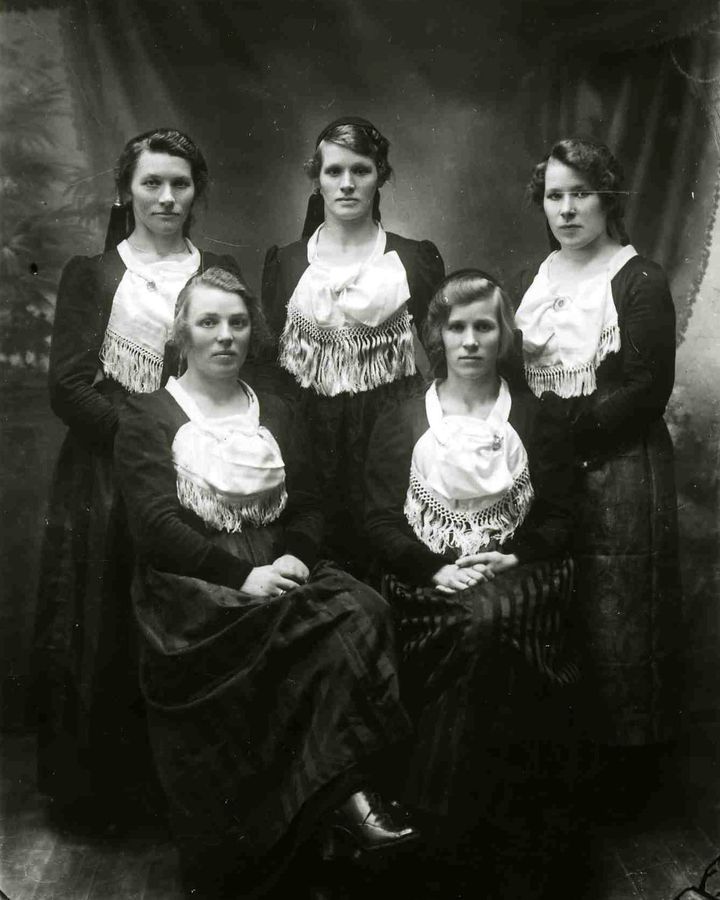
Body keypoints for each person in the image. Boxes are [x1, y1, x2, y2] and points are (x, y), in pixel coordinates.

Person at [114, 266, 418, 898]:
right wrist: (241, 575)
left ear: (254, 330)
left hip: (279, 565)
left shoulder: (275, 409)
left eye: (237, 322)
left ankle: (338, 807)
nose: (225, 335)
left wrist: (297, 558)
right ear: (181, 333)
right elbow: (155, 527)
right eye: (208, 322)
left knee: (363, 610)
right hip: (194, 586)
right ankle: (336, 811)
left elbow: (308, 504)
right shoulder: (148, 415)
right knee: (298, 631)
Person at [32, 128, 240, 827]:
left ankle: (190, 791)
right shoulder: (93, 275)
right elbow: (69, 388)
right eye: (152, 182)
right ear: (126, 190)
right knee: (111, 621)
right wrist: (147, 443)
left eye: (181, 183)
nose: (167, 197)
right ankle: (107, 796)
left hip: (205, 468)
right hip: (109, 475)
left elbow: (249, 365)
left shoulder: (218, 271)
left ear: (197, 192)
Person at [364, 270, 576, 831]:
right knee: (472, 623)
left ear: (504, 335)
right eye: (457, 327)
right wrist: (433, 569)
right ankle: (464, 817)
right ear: (438, 334)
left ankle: (436, 814)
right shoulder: (403, 418)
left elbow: (560, 516)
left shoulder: (534, 417)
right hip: (425, 577)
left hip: (518, 570)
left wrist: (515, 555)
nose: (471, 341)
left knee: (484, 619)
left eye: (485, 327)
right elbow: (380, 520)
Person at [515, 138, 680, 803]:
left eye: (580, 193)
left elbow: (645, 389)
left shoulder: (639, 279)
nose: (566, 209)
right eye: (554, 195)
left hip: (622, 469)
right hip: (555, 466)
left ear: (607, 198)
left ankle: (630, 780)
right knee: (561, 609)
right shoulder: (541, 276)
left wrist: (560, 430)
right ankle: (571, 768)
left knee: (621, 615)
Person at [261, 116, 445, 574]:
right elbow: (271, 370)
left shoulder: (413, 259)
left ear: (380, 175)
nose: (347, 183)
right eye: (334, 171)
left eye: (361, 170)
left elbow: (444, 359)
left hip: (390, 437)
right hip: (308, 441)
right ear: (317, 179)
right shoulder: (287, 263)